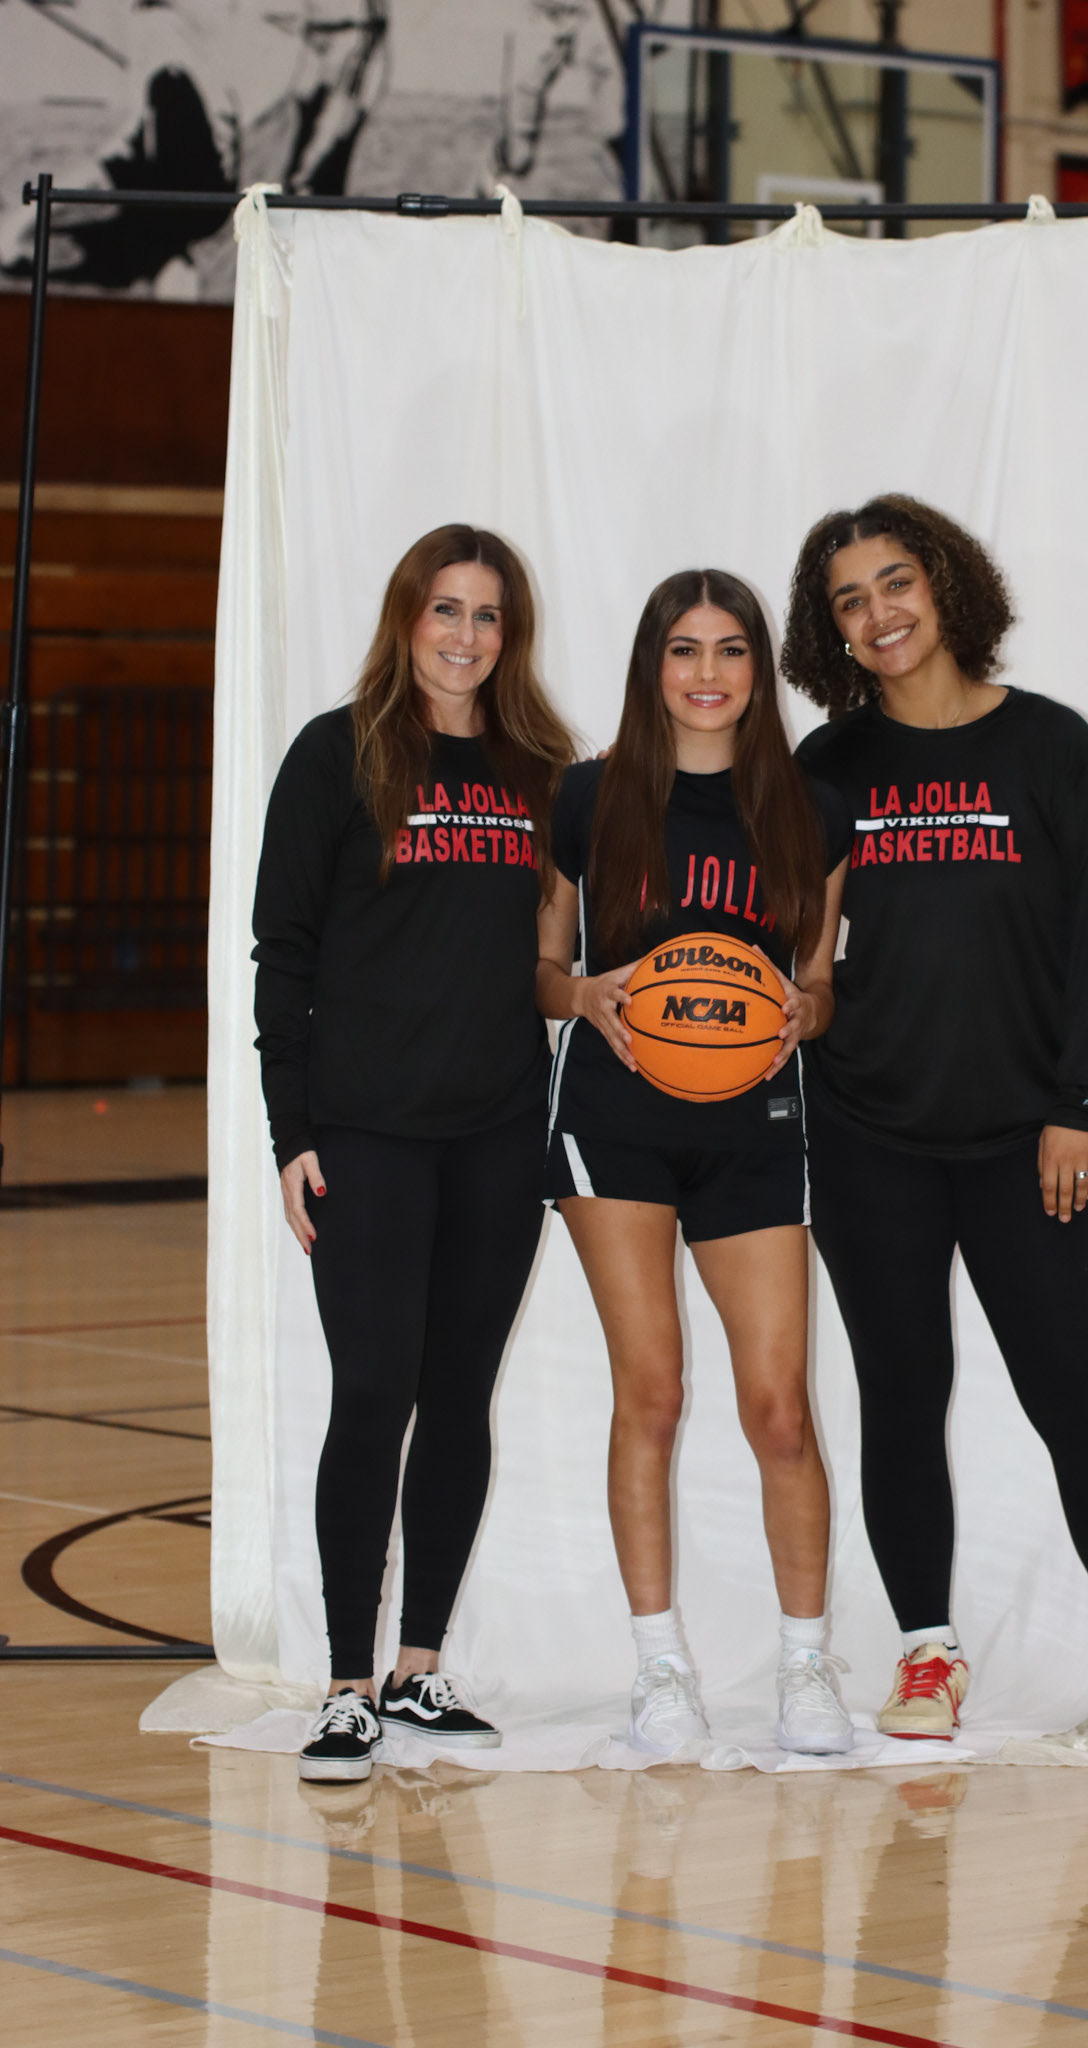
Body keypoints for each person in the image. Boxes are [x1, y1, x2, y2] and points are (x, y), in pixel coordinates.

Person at [782, 495, 1088, 1766]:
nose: (879, 613)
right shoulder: (829, 767)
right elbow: (796, 943)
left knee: (1078, 1393)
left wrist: (1077, 1105)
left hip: (1024, 1141)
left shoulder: (1051, 746)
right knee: (901, 1392)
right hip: (867, 1133)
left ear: (945, 583)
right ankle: (927, 1649)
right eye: (849, 600)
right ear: (832, 630)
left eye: (896, 581)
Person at [252, 523, 575, 1782]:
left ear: (510, 634)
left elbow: (557, 947)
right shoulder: (335, 754)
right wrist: (292, 1132)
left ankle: (419, 1666)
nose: (465, 635)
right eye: (446, 608)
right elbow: (284, 952)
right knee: (373, 1392)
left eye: (488, 615)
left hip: (498, 1129)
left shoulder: (540, 770)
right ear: (406, 616)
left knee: (458, 1397)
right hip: (369, 1131)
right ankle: (345, 1683)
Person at [536, 569, 854, 1757]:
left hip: (754, 1124)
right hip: (612, 1118)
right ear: (652, 665)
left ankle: (807, 1664)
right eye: (684, 649)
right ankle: (660, 1667)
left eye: (730, 649)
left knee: (779, 1405)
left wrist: (804, 1013)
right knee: (655, 1391)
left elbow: (818, 981)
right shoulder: (585, 797)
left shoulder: (811, 810)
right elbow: (539, 969)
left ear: (757, 669)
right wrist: (583, 993)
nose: (707, 673)